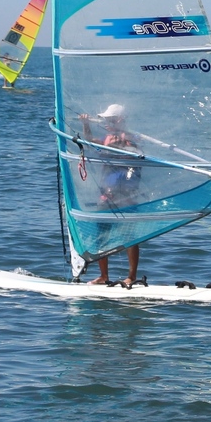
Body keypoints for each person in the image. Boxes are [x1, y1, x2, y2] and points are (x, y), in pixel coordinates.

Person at [87, 103, 144, 287]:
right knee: (101, 235)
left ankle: (132, 276)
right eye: (105, 120)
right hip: (107, 194)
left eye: (110, 120)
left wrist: (122, 138)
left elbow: (135, 153)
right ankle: (103, 275)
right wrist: (85, 124)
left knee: (129, 237)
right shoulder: (107, 138)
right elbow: (88, 141)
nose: (106, 123)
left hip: (126, 194)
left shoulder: (131, 138)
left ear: (119, 120)